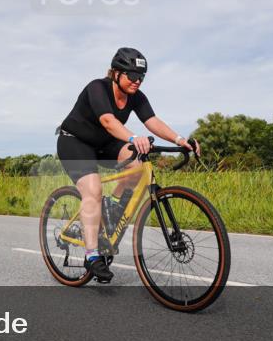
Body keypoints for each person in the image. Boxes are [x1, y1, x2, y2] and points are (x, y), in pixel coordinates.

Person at [56, 47, 199, 283]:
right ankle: (92, 257)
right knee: (93, 189)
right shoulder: (97, 87)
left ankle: (111, 207)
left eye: (141, 77)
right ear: (116, 73)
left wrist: (180, 140)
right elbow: (107, 120)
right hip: (75, 142)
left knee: (136, 164)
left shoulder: (136, 96)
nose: (137, 82)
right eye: (132, 76)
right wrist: (133, 138)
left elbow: (152, 121)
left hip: (103, 143)